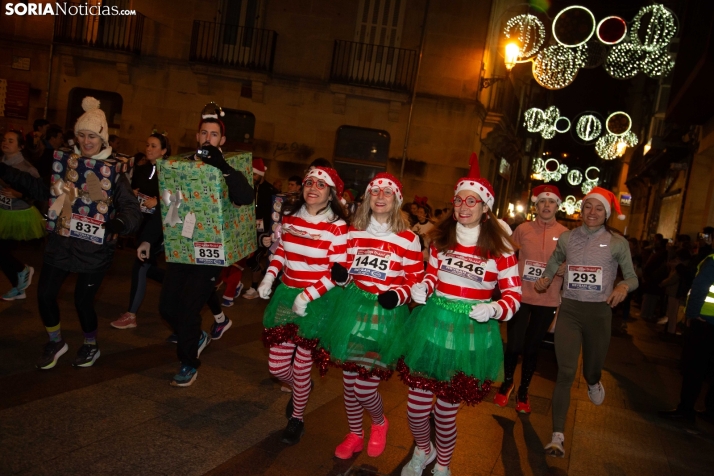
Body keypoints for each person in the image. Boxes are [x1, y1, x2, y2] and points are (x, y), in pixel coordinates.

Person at [388, 153, 521, 476]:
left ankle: (443, 464)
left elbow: (514, 296)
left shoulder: (500, 250)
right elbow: (432, 275)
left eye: (471, 201)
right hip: (432, 328)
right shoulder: (440, 240)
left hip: (469, 338)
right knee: (417, 408)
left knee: (446, 413)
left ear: (485, 207)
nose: (463, 207)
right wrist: (423, 287)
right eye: (458, 200)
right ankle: (423, 450)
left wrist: (494, 308)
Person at [0, 97, 142, 368]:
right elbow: (42, 188)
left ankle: (90, 344)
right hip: (61, 243)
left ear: (103, 139)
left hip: (94, 251)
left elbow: (131, 210)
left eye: (92, 136)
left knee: (82, 302)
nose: (87, 141)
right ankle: (55, 341)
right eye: (82, 135)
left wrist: (117, 224)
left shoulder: (113, 173)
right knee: (44, 295)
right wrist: (6, 172)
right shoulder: (66, 165)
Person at [138, 102, 253, 386]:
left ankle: (189, 361)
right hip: (182, 247)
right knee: (167, 308)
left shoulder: (229, 167)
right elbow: (168, 206)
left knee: (189, 308)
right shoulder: (181, 165)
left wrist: (222, 167)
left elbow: (245, 197)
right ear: (197, 136)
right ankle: (198, 336)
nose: (208, 139)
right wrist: (147, 239)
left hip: (212, 252)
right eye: (204, 133)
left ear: (222, 140)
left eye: (214, 135)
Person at [317, 173, 423, 460]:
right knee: (349, 381)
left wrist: (397, 295)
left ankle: (379, 423)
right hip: (352, 310)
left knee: (364, 387)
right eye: (375, 191)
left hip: (384, 315)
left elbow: (415, 281)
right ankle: (355, 433)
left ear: (397, 200)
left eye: (387, 192)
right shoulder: (354, 232)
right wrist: (340, 276)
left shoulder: (409, 239)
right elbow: (345, 270)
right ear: (368, 198)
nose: (380, 196)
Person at [535, 187, 638, 458]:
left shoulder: (617, 243)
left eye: (599, 208)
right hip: (569, 310)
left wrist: (623, 288)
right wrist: (546, 277)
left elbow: (632, 277)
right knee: (566, 372)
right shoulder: (568, 238)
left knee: (591, 369)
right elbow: (555, 260)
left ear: (606, 213)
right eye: (588, 206)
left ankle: (593, 381)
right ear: (582, 209)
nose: (592, 212)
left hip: (599, 314)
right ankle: (557, 435)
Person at [258, 166, 348, 445]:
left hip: (319, 299)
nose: (312, 187)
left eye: (321, 185)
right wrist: (269, 276)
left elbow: (339, 272)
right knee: (277, 367)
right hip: (287, 294)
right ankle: (302, 387)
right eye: (309, 182)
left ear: (331, 192)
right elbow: (282, 250)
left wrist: (307, 296)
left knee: (301, 364)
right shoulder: (290, 217)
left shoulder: (337, 226)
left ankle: (296, 418)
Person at [494, 185, 567, 413]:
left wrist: (566, 268)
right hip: (520, 296)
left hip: (548, 299)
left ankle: (524, 391)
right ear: (536, 206)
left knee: (532, 348)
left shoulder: (565, 234)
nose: (547, 206)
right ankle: (507, 382)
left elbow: (572, 263)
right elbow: (507, 255)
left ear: (558, 206)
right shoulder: (522, 229)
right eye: (542, 202)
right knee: (513, 345)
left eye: (551, 202)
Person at [110, 132, 170, 330]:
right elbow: (132, 189)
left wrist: (160, 202)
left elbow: (177, 199)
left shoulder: (170, 172)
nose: (149, 148)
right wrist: (132, 194)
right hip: (143, 225)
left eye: (154, 146)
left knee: (140, 266)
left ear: (164, 151)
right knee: (147, 268)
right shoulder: (142, 169)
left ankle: (131, 314)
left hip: (159, 228)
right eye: (148, 144)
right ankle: (176, 282)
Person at [658, 253, 714, 423]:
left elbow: (699, 287)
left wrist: (692, 314)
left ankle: (686, 410)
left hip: (704, 322)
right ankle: (711, 411)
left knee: (694, 368)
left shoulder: (712, 260)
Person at [0, 130, 44, 300]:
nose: (5, 142)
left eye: (11, 141)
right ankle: (19, 287)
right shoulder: (1, 162)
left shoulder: (27, 169)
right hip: (2, 211)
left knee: (2, 252)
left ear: (20, 146)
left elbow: (38, 194)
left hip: (18, 215)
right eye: (4, 139)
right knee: (2, 254)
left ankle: (22, 270)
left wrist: (19, 194)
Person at [242, 158, 278, 299]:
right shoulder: (248, 189)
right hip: (250, 230)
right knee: (250, 260)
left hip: (265, 233)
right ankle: (262, 276)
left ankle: (254, 287)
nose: (253, 177)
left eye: (255, 174)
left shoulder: (271, 191)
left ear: (262, 174)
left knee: (254, 259)